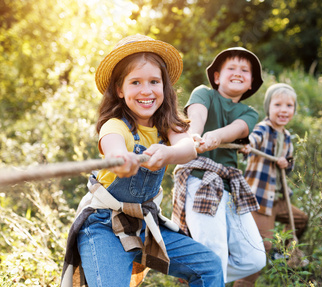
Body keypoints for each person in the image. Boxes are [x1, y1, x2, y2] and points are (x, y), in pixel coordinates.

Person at [61, 34, 224, 287]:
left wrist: (168, 153)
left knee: (209, 267)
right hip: (104, 226)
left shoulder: (166, 124)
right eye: (135, 82)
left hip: (145, 223)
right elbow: (113, 148)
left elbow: (187, 147)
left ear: (164, 86)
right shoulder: (114, 126)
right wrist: (120, 160)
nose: (146, 91)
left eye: (154, 81)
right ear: (119, 89)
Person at [172, 47, 267, 284]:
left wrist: (216, 136)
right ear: (217, 77)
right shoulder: (204, 93)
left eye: (244, 70)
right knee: (215, 253)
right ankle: (205, 276)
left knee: (254, 258)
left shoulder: (249, 112)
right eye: (231, 68)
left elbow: (238, 129)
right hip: (200, 180)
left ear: (251, 82)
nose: (238, 73)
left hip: (231, 188)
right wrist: (193, 135)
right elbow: (197, 117)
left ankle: (202, 277)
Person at [235, 83, 309, 286]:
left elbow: (289, 165)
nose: (284, 110)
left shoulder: (286, 137)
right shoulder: (263, 129)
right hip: (259, 199)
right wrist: (246, 144)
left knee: (301, 219)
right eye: (278, 105)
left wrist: (287, 163)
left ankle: (283, 253)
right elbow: (253, 139)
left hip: (277, 200)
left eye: (289, 105)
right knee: (262, 246)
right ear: (269, 107)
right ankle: (244, 282)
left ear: (294, 109)